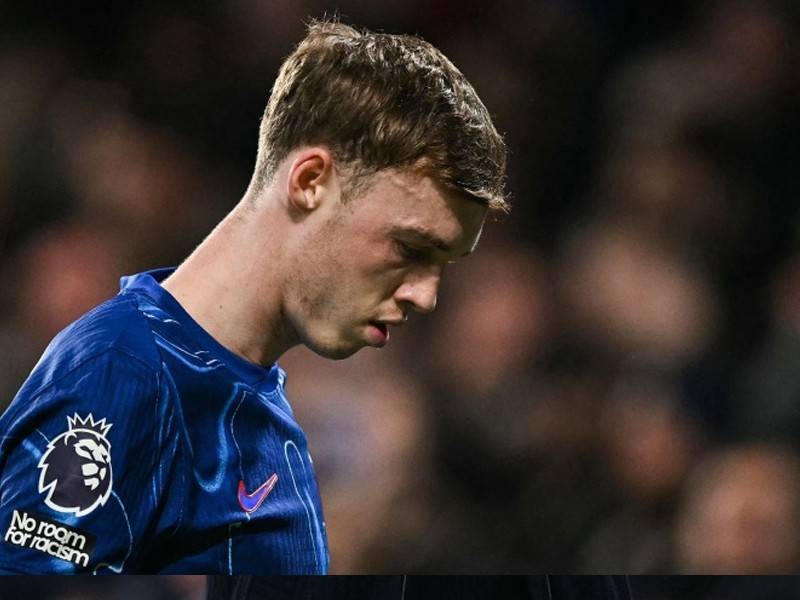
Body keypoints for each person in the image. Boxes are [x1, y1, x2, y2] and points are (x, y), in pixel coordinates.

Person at [0, 20, 507, 573]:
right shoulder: (120, 375)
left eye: (444, 265)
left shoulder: (260, 411)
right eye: (410, 247)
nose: (427, 296)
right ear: (310, 181)